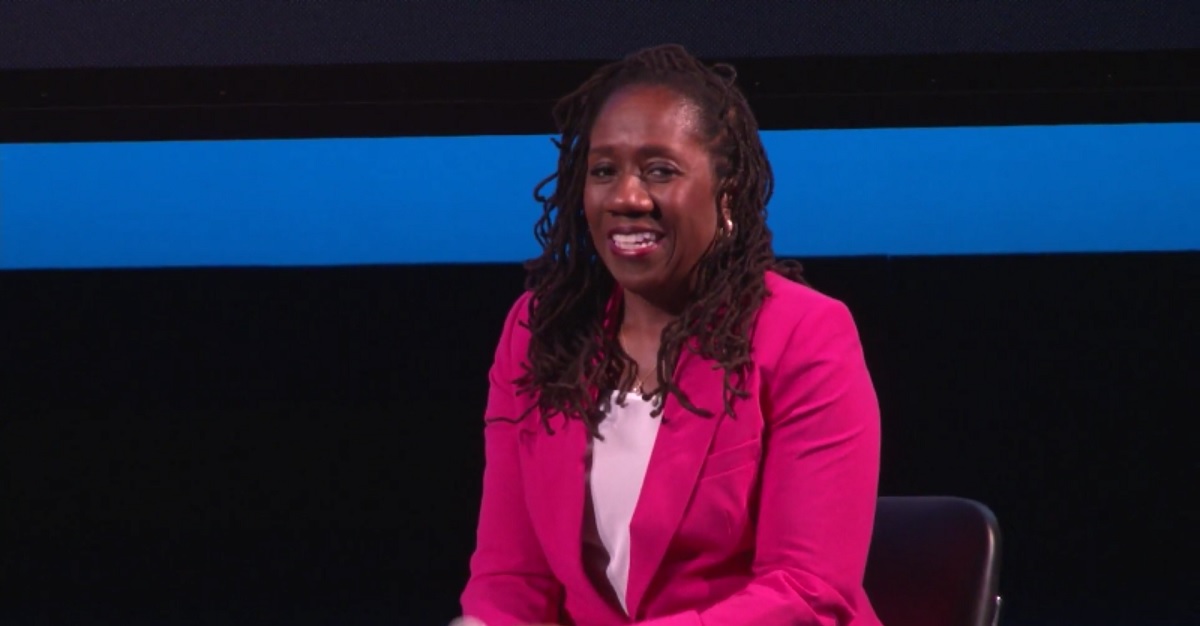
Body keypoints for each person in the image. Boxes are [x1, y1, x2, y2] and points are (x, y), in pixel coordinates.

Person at [456, 44, 883, 626]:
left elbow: (805, 592)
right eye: (604, 171)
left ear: (726, 194)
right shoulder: (539, 333)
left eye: (660, 170)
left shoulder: (805, 334)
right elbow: (512, 578)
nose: (627, 198)